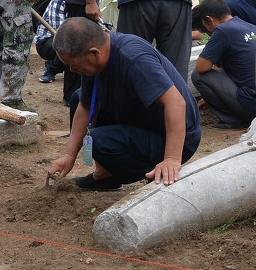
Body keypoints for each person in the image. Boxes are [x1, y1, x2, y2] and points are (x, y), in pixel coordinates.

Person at [49, 17, 201, 190]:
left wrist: (171, 158)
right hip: (141, 121)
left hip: (173, 137)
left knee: (98, 141)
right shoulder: (96, 58)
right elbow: (85, 107)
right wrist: (69, 155)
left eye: (74, 66)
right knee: (79, 98)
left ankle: (154, 169)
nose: (72, 70)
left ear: (94, 53)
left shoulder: (133, 57)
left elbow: (176, 103)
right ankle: (105, 177)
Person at [190, 0, 256, 129]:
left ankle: (232, 120)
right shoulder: (248, 26)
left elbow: (201, 67)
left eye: (205, 28)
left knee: (197, 76)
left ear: (210, 20)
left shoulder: (222, 30)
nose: (208, 33)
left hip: (251, 105)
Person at [33, 0, 66, 84]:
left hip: (66, 35)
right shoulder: (58, 1)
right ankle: (51, 68)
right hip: (47, 41)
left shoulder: (89, 1)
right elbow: (59, 31)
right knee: (69, 42)